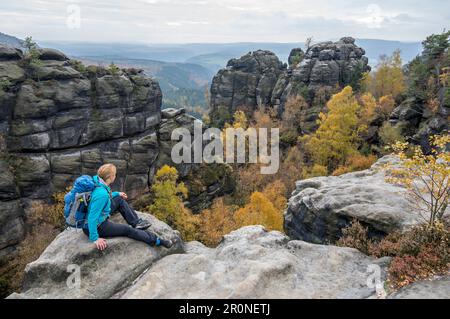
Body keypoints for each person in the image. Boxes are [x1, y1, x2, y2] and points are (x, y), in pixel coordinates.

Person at [82, 163, 173, 251]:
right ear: (110, 177)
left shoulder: (97, 182)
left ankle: (136, 222)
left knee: (119, 199)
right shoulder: (101, 194)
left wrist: (117, 193)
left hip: (98, 216)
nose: (115, 176)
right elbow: (92, 217)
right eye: (114, 174)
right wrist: (95, 238)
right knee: (127, 230)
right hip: (98, 226)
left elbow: (102, 197)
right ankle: (156, 241)